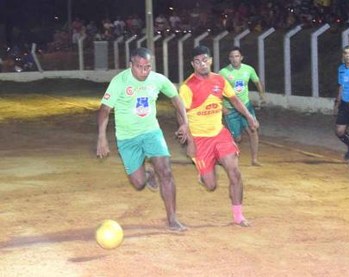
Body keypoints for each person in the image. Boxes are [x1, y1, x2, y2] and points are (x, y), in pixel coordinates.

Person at [96, 47, 189, 231]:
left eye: (147, 67)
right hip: (127, 137)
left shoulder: (158, 79)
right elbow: (105, 109)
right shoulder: (119, 81)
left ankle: (172, 219)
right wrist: (101, 137)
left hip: (151, 132)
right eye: (139, 67)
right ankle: (147, 174)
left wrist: (185, 123)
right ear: (131, 64)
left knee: (166, 172)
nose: (144, 71)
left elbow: (176, 99)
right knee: (138, 183)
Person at [178, 45, 259, 227]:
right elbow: (180, 111)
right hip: (199, 138)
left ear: (211, 61)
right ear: (193, 64)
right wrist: (186, 130)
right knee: (211, 186)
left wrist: (249, 116)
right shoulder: (187, 87)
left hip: (219, 133)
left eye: (205, 60)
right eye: (197, 62)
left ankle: (238, 216)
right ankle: (205, 170)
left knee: (235, 173)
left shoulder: (220, 80)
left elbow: (235, 100)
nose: (202, 64)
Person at [219, 46, 266, 166]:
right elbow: (217, 91)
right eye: (232, 57)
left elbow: (256, 81)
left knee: (253, 130)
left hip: (245, 106)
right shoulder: (223, 72)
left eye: (237, 56)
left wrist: (262, 95)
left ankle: (254, 159)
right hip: (230, 108)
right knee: (237, 138)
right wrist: (222, 108)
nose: (235, 59)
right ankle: (224, 156)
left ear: (241, 57)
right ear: (229, 58)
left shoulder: (249, 69)